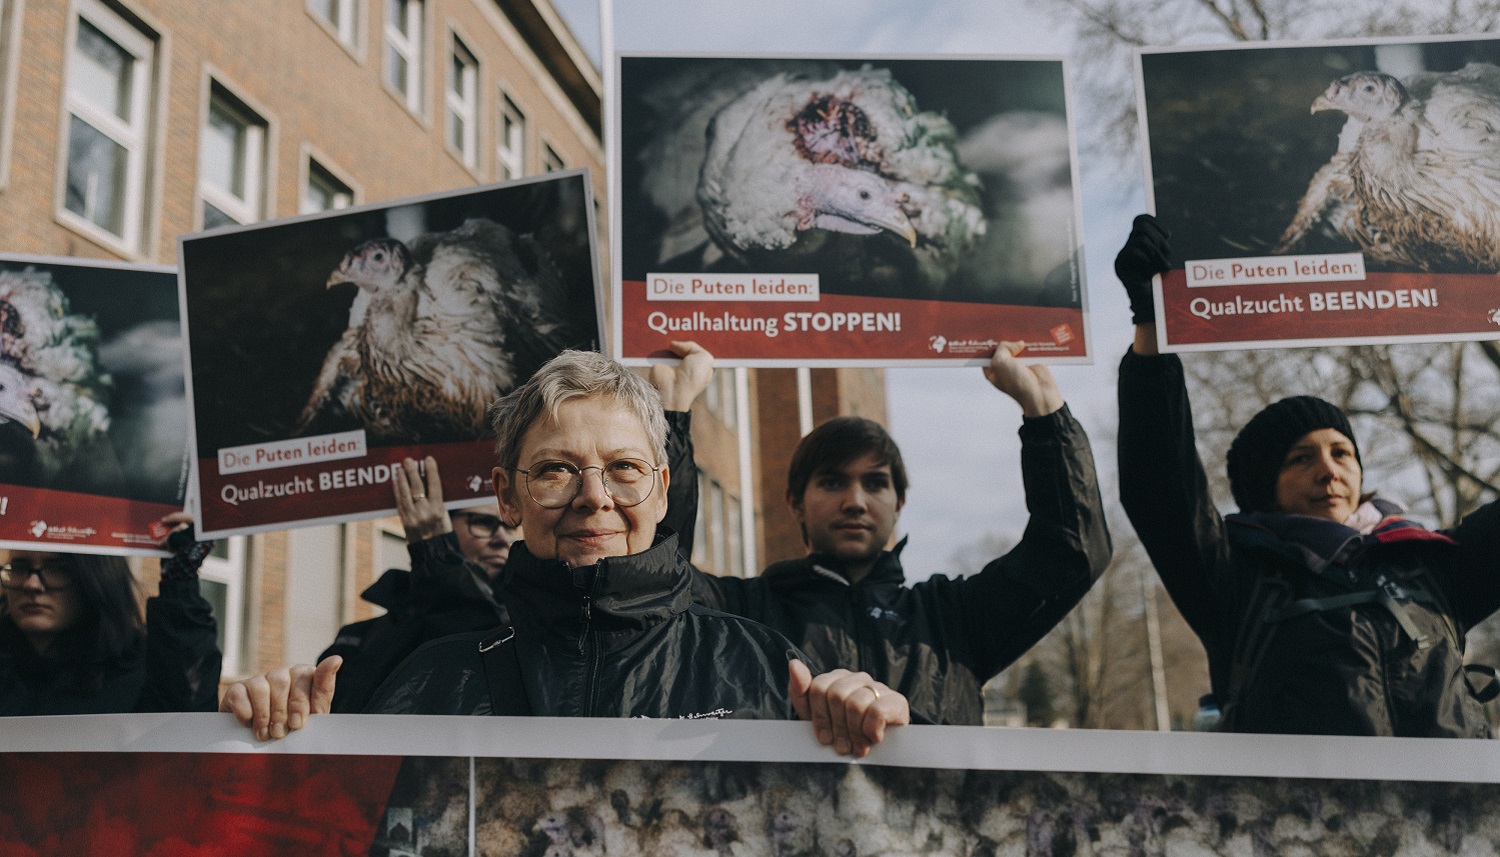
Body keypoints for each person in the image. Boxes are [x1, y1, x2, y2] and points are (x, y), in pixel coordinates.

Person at [223, 350, 909, 757]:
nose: (593, 497)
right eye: (555, 470)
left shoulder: (767, 670)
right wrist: (287, 733)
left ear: (662, 490)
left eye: (624, 469)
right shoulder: (433, 679)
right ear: (507, 496)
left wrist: (881, 734)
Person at [1114, 213, 1500, 737]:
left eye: (1342, 453)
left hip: (1451, 795)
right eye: (1301, 459)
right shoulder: (1232, 575)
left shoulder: (1434, 563)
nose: (1328, 471)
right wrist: (1152, 325)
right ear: (1262, 488)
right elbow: (1158, 483)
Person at [666, 340, 1112, 726]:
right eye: (832, 482)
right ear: (795, 502)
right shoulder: (741, 615)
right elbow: (657, 576)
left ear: (899, 503)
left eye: (875, 483)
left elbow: (1070, 552)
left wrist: (1044, 410)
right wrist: (671, 414)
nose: (855, 501)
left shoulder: (953, 622)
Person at [317, 456, 516, 713]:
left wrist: (438, 556)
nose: (502, 539)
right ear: (437, 518)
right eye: (483, 523)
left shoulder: (521, 627)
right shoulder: (357, 639)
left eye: (510, 527)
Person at [0, 511, 221, 715]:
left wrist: (179, 581)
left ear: (93, 579)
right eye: (19, 568)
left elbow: (184, 715)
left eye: (56, 569)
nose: (32, 584)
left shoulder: (141, 671)